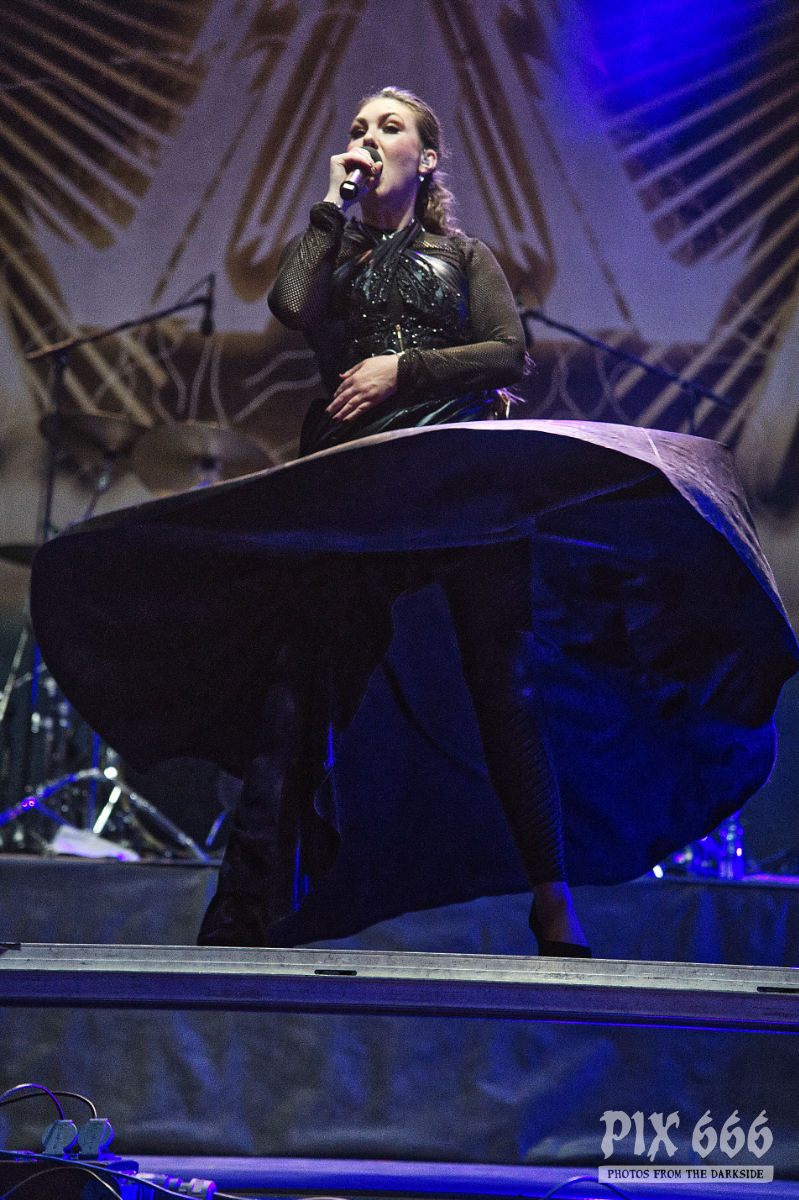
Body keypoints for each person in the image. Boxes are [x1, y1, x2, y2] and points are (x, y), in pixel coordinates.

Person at [29, 90, 799, 958]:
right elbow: (289, 305)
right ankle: (248, 908)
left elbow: (506, 352)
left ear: (426, 159)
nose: (367, 138)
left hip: (460, 478)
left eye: (387, 127)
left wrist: (402, 370)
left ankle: (552, 903)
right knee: (302, 687)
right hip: (356, 487)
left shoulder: (463, 255)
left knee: (505, 684)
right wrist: (331, 206)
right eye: (358, 128)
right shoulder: (333, 251)